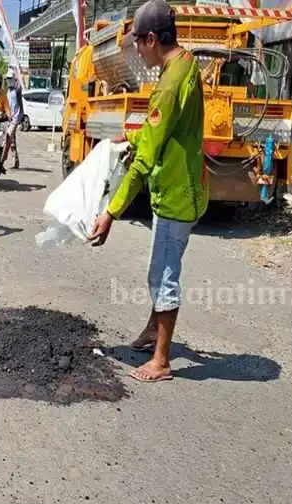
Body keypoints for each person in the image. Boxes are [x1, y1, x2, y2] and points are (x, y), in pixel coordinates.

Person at [87, 0, 208, 382]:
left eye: (139, 42)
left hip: (175, 193)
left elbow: (143, 163)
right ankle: (153, 329)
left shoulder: (169, 86)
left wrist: (110, 213)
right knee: (161, 269)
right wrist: (136, 134)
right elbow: (164, 130)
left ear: (153, 39)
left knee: (163, 275)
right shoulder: (186, 64)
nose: (137, 51)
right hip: (185, 183)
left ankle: (162, 361)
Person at [4, 68, 24, 169]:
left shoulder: (17, 90)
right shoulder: (8, 90)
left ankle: (3, 159)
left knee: (8, 136)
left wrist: (20, 118)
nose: (8, 80)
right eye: (7, 79)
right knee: (12, 140)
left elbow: (20, 105)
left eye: (9, 78)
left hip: (15, 118)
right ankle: (15, 160)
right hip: (9, 118)